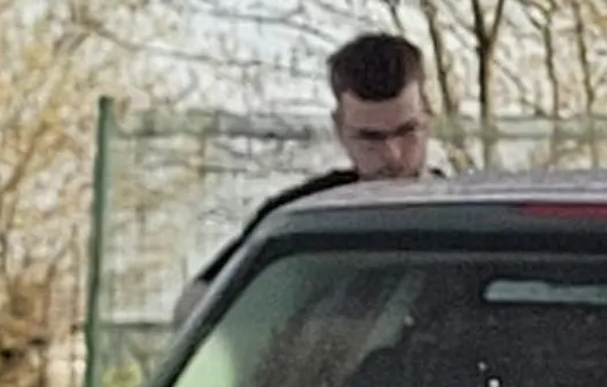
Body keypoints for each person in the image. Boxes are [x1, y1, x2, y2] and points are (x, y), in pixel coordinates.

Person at [178, 32, 436, 316]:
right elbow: (196, 309)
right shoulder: (302, 219)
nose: (392, 154)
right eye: (370, 138)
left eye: (407, 131)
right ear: (339, 130)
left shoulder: (471, 216)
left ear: (429, 115)